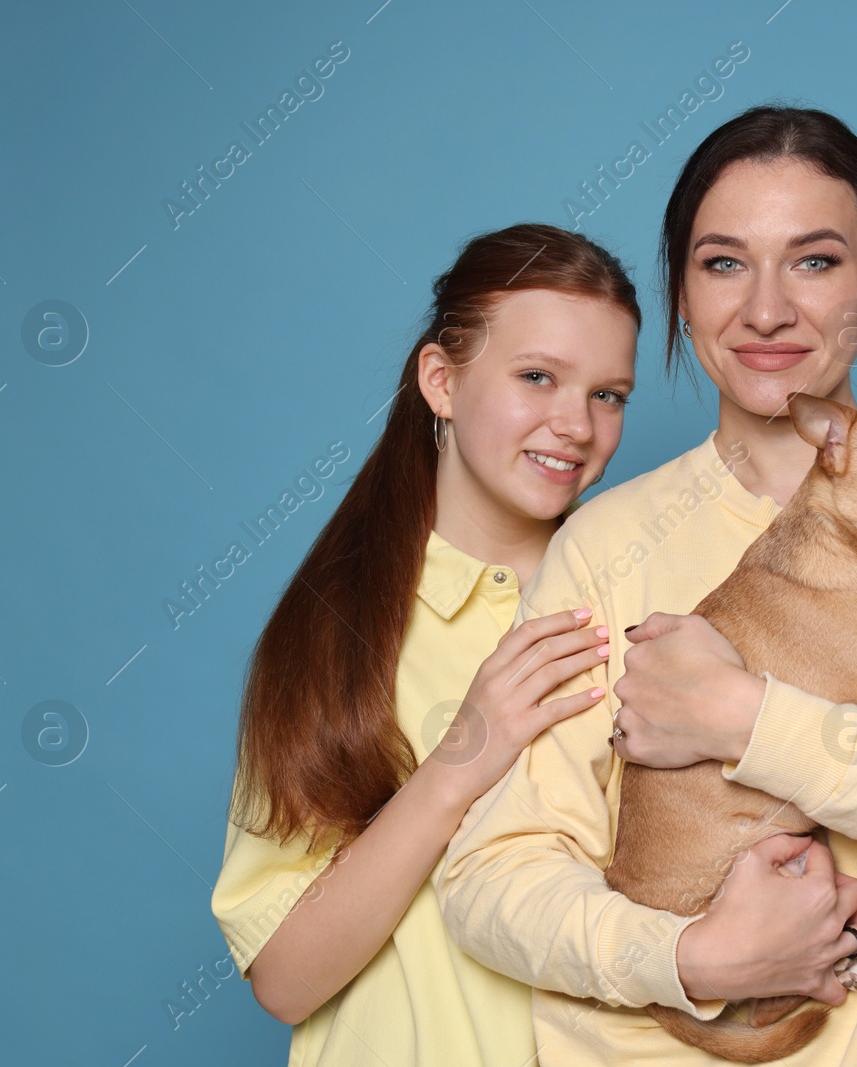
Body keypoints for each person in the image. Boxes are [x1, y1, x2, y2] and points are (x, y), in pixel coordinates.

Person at [437, 105, 857, 1065]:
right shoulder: (607, 542)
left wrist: (752, 723)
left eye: (815, 261)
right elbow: (493, 881)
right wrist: (693, 957)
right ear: (680, 295)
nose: (767, 310)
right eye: (724, 263)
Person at [210, 223, 647, 1065]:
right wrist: (458, 764)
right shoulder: (336, 633)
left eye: (609, 394)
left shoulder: (646, 597)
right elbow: (284, 979)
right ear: (441, 381)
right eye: (536, 377)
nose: (576, 424)